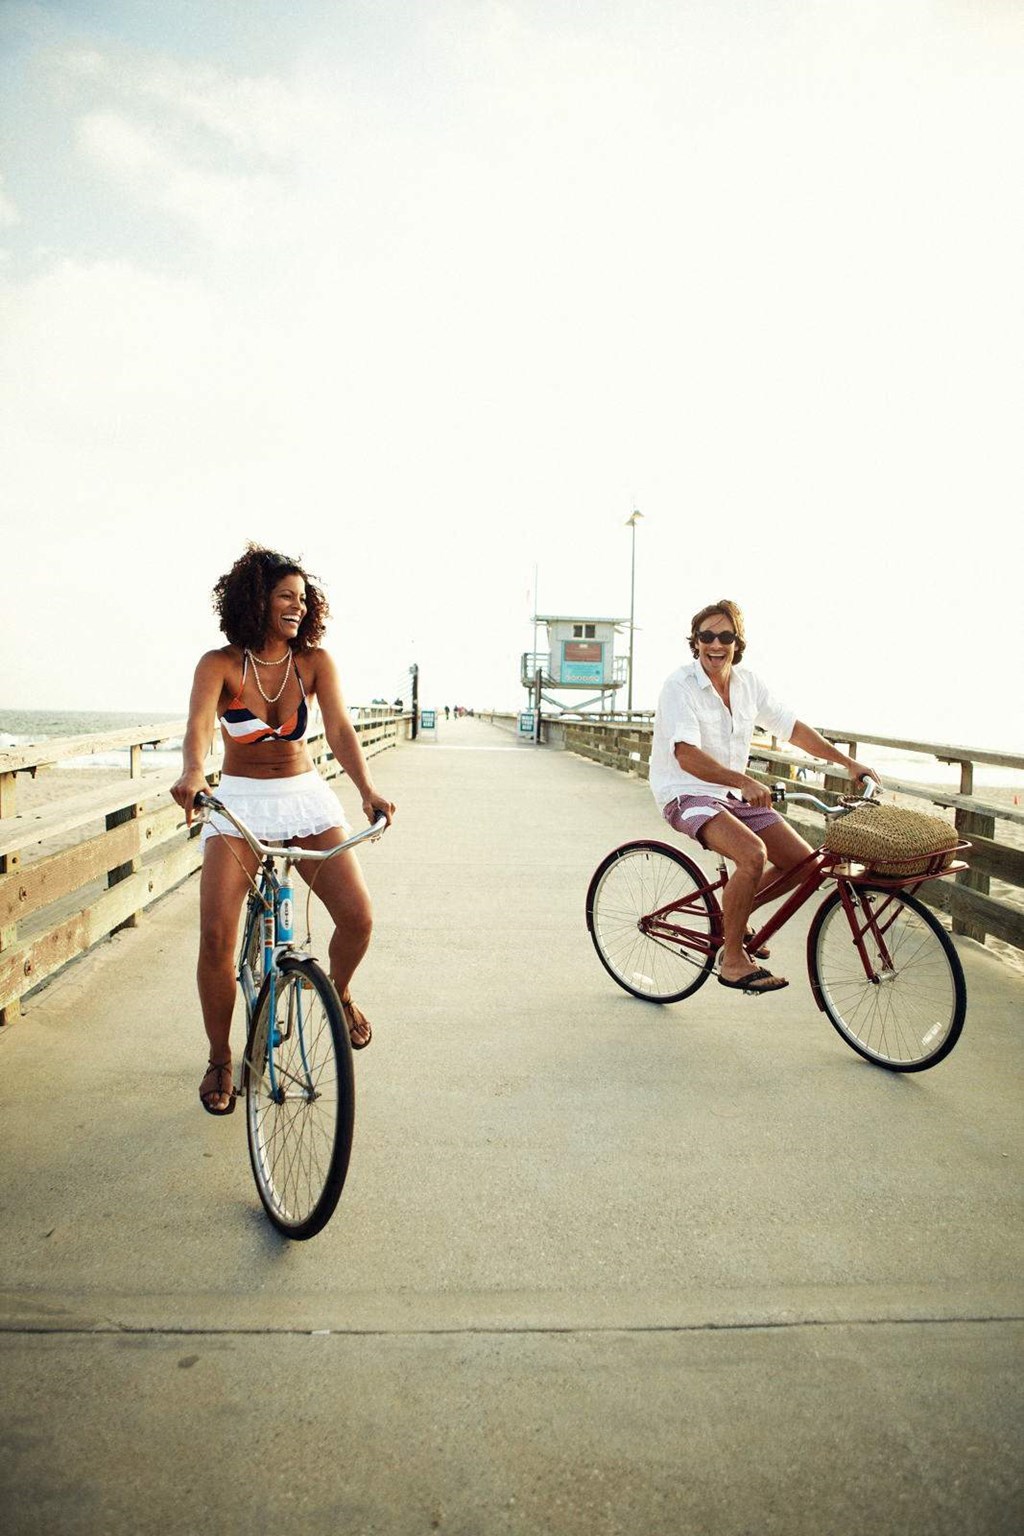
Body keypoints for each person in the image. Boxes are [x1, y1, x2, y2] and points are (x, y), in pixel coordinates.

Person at [171, 544, 395, 1114]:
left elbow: (341, 731)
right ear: (257, 601)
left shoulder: (315, 662)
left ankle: (337, 993)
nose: (297, 607)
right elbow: (198, 731)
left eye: (303, 598)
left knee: (359, 918)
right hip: (241, 803)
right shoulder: (218, 664)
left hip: (305, 797)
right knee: (217, 937)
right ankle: (221, 1056)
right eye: (285, 597)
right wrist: (193, 773)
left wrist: (367, 789)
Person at [649, 599, 878, 995]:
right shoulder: (679, 686)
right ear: (695, 642)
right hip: (686, 793)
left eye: (725, 636)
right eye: (707, 636)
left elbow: (792, 729)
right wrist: (745, 780)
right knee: (752, 854)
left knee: (804, 863)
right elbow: (685, 755)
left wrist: (847, 762)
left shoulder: (748, 684)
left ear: (738, 642)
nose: (715, 645)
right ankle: (733, 961)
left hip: (730, 794)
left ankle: (733, 915)